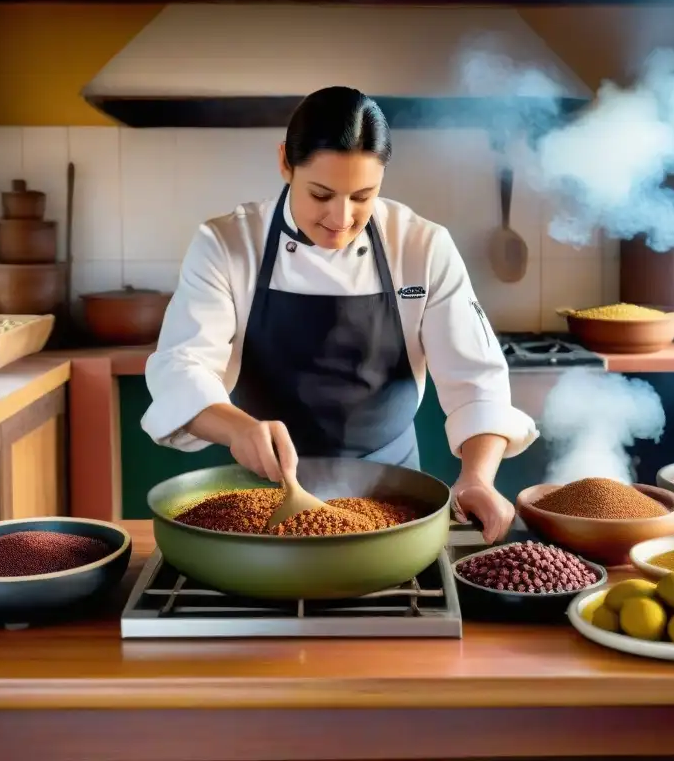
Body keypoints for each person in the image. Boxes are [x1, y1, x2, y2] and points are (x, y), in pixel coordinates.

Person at [141, 86, 538, 544]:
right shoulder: (228, 244)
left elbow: (477, 382)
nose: (342, 217)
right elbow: (180, 365)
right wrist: (237, 428)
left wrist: (477, 478)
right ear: (285, 164)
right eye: (322, 194)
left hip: (392, 489)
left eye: (363, 196)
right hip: (263, 490)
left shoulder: (422, 247)